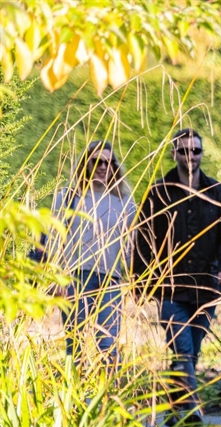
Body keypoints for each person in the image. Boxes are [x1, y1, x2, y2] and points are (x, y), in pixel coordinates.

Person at [134, 128, 221, 425]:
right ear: (174, 153)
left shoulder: (216, 191)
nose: (190, 156)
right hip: (169, 288)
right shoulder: (158, 192)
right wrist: (142, 280)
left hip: (207, 287)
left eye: (196, 151)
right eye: (184, 151)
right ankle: (191, 412)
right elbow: (142, 238)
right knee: (182, 349)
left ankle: (174, 409)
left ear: (202, 153)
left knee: (190, 353)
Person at [46, 140, 136, 366]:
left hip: (111, 280)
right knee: (75, 345)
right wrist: (57, 279)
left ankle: (105, 397)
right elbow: (54, 240)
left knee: (109, 345)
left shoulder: (124, 202)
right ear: (86, 164)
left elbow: (131, 244)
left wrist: (136, 277)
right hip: (76, 278)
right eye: (97, 162)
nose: (104, 167)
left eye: (109, 163)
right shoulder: (68, 197)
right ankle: (74, 396)